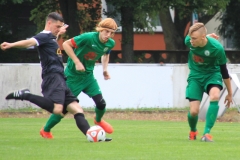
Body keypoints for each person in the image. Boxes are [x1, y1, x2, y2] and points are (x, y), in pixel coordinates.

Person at [1, 12, 92, 140]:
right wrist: (11, 45)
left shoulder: (51, 37)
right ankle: (25, 95)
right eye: (57, 26)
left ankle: (92, 136)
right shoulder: (43, 36)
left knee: (77, 109)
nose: (59, 29)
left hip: (60, 77)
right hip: (52, 76)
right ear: (49, 23)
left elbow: (52, 37)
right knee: (57, 109)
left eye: (61, 26)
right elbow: (29, 42)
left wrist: (59, 31)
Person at [40, 18, 117, 139]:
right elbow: (66, 44)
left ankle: (98, 120)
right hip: (73, 77)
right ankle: (46, 130)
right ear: (100, 29)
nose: (108, 35)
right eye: (106, 31)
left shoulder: (110, 43)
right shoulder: (88, 37)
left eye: (111, 33)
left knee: (101, 103)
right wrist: (77, 62)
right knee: (64, 109)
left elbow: (106, 54)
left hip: (88, 77)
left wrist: (105, 69)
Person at [185, 22, 233, 142]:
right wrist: (196, 38)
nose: (191, 41)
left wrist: (230, 93)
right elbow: (190, 39)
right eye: (191, 38)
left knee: (215, 95)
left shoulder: (217, 48)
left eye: (194, 38)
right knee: (194, 111)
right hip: (195, 76)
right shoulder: (189, 41)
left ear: (203, 37)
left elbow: (224, 71)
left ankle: (206, 133)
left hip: (212, 75)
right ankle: (193, 130)